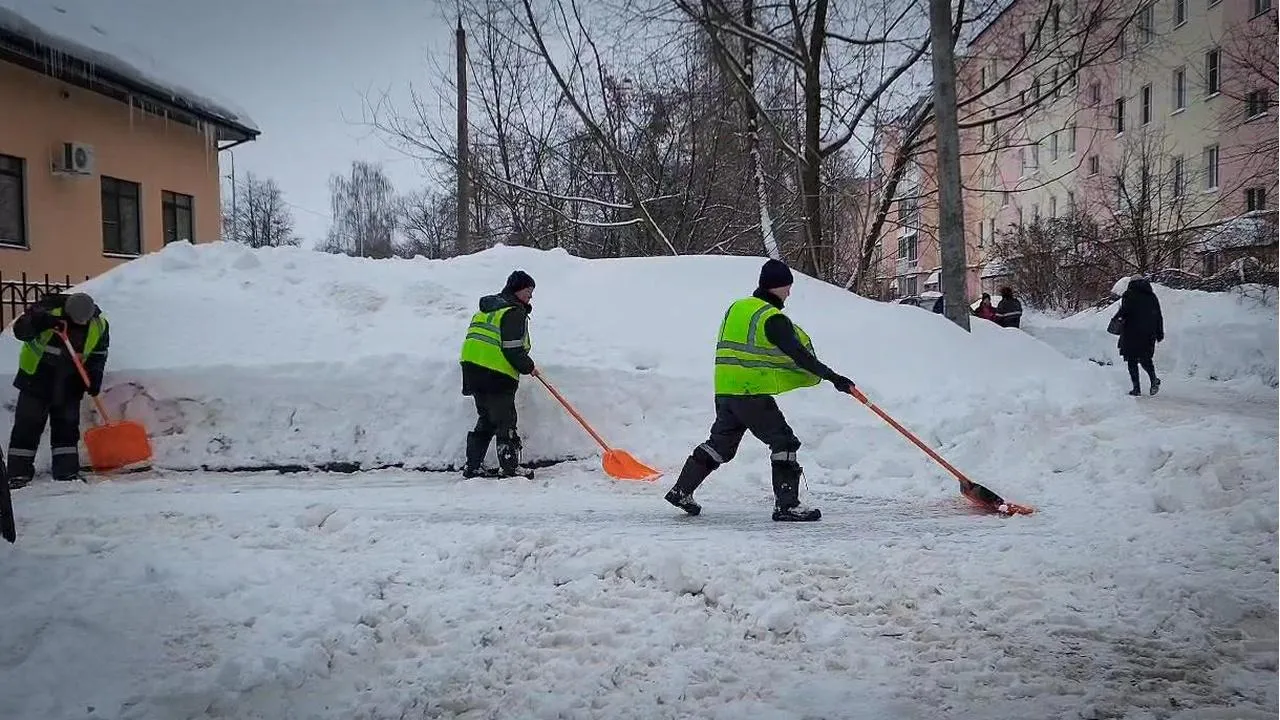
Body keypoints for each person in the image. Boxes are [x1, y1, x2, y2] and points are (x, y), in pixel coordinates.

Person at [664, 259, 856, 522]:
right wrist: (834, 378)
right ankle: (787, 505)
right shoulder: (771, 318)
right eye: (788, 287)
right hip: (750, 392)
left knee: (720, 445)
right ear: (777, 286)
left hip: (726, 390)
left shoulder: (738, 308)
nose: (789, 292)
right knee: (784, 442)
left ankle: (681, 490)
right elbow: (798, 354)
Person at [7, 292, 109, 488]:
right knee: (27, 425)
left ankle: (66, 472)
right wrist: (42, 322)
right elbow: (21, 332)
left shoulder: (99, 324)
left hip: (70, 382)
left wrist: (94, 378)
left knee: (67, 428)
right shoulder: (46, 310)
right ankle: (17, 473)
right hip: (36, 378)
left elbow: (98, 353)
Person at [458, 270, 537, 478]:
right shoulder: (513, 312)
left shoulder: (489, 309)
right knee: (505, 420)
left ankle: (472, 466)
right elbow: (512, 348)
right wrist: (528, 366)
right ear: (518, 289)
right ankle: (510, 468)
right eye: (528, 291)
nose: (530, 296)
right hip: (496, 373)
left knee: (487, 419)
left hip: (473, 370)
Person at [1112, 276, 1164, 396]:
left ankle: (1137, 389)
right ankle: (1154, 380)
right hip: (1149, 333)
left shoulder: (1129, 295)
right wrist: (1159, 332)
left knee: (1132, 360)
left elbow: (1125, 312)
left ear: (1131, 284)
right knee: (1146, 359)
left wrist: (1118, 318)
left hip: (1132, 332)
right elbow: (1158, 316)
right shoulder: (1152, 297)